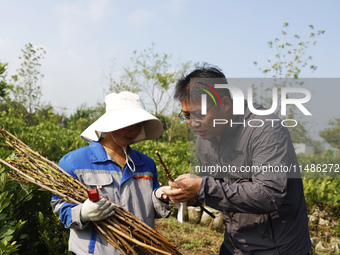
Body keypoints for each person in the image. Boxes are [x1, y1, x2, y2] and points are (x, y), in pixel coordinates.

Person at [163, 65, 311, 255]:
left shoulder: (265, 128)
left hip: (278, 249)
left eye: (199, 115)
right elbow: (219, 188)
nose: (193, 123)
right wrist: (192, 195)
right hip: (235, 245)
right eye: (187, 116)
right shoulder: (205, 138)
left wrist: (203, 188)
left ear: (224, 103)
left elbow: (269, 195)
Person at [51, 91, 171, 254]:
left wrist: (161, 197)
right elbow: (60, 208)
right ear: (110, 123)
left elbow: (153, 210)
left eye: (138, 125)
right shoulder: (74, 162)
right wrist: (83, 213)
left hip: (141, 249)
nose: (133, 131)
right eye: (126, 123)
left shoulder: (146, 164)